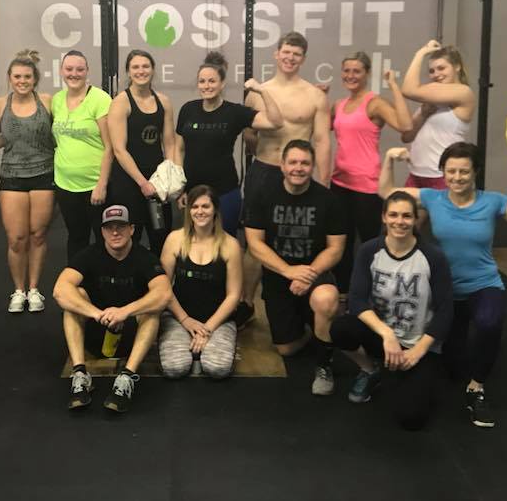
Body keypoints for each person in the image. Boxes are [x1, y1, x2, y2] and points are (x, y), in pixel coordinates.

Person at [379, 141, 507, 428]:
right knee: (453, 365)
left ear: (475, 172)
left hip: (483, 284)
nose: (457, 178)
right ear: (443, 172)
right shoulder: (433, 198)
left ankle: (477, 388)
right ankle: (457, 365)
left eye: (464, 172)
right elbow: (387, 193)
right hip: (446, 291)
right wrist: (388, 159)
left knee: (489, 322)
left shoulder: (494, 201)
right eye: (451, 172)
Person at [330, 191, 453, 430]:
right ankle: (370, 370)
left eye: (407, 216)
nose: (400, 221)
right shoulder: (369, 251)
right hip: (384, 338)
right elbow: (356, 300)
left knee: (411, 418)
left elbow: (446, 310)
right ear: (384, 217)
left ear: (416, 219)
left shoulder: (433, 257)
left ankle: (407, 373)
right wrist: (386, 334)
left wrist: (418, 351)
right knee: (341, 328)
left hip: (417, 344)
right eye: (394, 215)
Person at [238, 32, 331, 328]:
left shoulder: (315, 95)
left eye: (296, 54)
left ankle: (303, 297)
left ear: (303, 59)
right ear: (276, 54)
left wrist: (325, 183)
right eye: (286, 52)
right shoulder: (258, 92)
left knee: (301, 235)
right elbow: (249, 135)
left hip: (299, 176)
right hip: (264, 170)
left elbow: (322, 140)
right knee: (254, 240)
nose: (290, 58)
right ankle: (247, 303)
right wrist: (265, 156)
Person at [244, 139, 344, 395]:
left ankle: (324, 365)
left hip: (315, 273)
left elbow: (335, 248)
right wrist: (288, 271)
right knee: (286, 349)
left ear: (312, 166)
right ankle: (316, 331)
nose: (298, 168)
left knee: (326, 298)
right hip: (279, 277)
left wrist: (308, 274)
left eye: (305, 163)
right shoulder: (262, 194)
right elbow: (255, 244)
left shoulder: (328, 200)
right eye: (293, 162)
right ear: (282, 165)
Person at [53, 204, 172, 413]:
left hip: (131, 337)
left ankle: (127, 377)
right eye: (109, 227)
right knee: (74, 297)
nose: (115, 232)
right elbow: (59, 290)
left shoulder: (144, 257)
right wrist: (96, 313)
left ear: (132, 229)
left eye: (121, 226)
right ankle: (80, 373)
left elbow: (164, 293)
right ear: (102, 231)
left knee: (152, 306)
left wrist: (124, 311)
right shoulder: (89, 254)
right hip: (96, 331)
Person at [175, 51, 284, 236]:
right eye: (202, 81)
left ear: (222, 83)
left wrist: (262, 91)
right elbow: (179, 148)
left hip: (225, 193)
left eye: (212, 81)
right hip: (192, 193)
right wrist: (180, 189)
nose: (206, 86)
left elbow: (275, 122)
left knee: (226, 246)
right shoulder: (188, 109)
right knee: (192, 245)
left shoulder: (234, 113)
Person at [330, 51, 412, 292]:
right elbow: (322, 129)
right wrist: (320, 97)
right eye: (347, 70)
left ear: (366, 74)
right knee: (340, 243)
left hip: (367, 185)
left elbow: (405, 125)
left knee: (369, 243)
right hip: (339, 183)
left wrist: (394, 86)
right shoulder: (340, 104)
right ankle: (344, 292)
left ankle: (371, 292)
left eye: (356, 71)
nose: (350, 75)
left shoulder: (374, 103)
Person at [0, 50, 54, 314]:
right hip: (12, 176)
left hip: (43, 174)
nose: (22, 81)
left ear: (35, 78)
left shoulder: (48, 102)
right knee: (17, 238)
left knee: (37, 235)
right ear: (9, 78)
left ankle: (34, 289)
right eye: (17, 76)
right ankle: (18, 290)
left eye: (27, 76)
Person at [158, 185, 243, 379]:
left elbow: (233, 296)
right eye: (195, 207)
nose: (200, 212)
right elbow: (162, 288)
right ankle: (192, 350)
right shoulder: (174, 240)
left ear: (215, 210)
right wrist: (186, 321)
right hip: (179, 316)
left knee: (217, 368)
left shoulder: (230, 245)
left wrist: (207, 329)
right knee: (175, 368)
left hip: (218, 319)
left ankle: (200, 349)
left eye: (206, 206)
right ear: (189, 211)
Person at [107, 49, 177, 257]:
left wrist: (170, 177)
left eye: (145, 66)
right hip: (129, 181)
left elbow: (170, 143)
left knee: (160, 235)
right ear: (128, 72)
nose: (141, 71)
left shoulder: (163, 101)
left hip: (157, 181)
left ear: (153, 70)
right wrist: (142, 183)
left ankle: (161, 284)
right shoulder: (121, 102)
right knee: (130, 237)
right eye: (135, 67)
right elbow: (119, 149)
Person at [52, 50, 113, 262]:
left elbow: (109, 147)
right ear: (61, 71)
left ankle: (102, 290)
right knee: (76, 238)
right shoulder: (57, 100)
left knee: (102, 239)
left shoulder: (100, 99)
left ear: (87, 71)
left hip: (94, 186)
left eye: (79, 69)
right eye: (69, 69)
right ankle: (77, 287)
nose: (74, 74)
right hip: (65, 185)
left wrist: (102, 185)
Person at [399, 41, 475, 189]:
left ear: (457, 67)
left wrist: (420, 53)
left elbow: (408, 89)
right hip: (416, 174)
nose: (436, 74)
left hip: (442, 176)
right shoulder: (431, 98)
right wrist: (423, 115)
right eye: (432, 71)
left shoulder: (464, 92)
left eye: (441, 68)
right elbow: (406, 136)